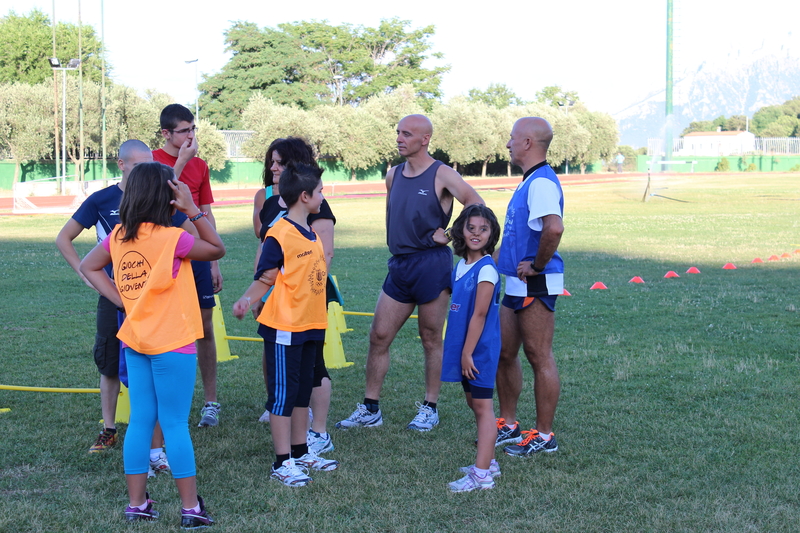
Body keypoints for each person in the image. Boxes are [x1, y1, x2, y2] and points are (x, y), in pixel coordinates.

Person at [79, 162, 224, 527]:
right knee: (174, 423)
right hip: (172, 342)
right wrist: (192, 209)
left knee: (141, 421)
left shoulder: (119, 236)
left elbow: (88, 265)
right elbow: (216, 248)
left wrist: (122, 301)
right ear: (166, 196)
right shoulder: (173, 237)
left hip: (136, 340)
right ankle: (191, 508)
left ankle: (137, 504)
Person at [337, 114, 484, 432]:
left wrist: (452, 234)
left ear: (425, 139)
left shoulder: (442, 173)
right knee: (379, 336)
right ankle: (370, 407)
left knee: (430, 337)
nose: (399, 138)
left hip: (432, 265)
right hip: (400, 265)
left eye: (407, 134)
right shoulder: (392, 175)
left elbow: (475, 203)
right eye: (398, 133)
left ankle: (430, 407)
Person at [55, 140, 186, 472]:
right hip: (117, 296)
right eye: (138, 164)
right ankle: (109, 428)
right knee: (109, 363)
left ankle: (156, 447)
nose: (144, 169)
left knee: (152, 375)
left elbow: (190, 238)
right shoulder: (101, 200)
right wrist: (89, 277)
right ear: (121, 164)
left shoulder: (160, 195)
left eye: (149, 163)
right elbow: (64, 239)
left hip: (156, 304)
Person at [233, 163, 338, 487]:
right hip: (284, 329)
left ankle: (301, 450)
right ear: (305, 196)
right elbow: (265, 278)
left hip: (312, 326)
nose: (323, 195)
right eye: (319, 191)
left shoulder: (311, 232)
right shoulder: (279, 234)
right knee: (283, 396)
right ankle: (282, 462)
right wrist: (246, 301)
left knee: (302, 392)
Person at [252, 137, 336, 455]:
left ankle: (317, 432)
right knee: (285, 378)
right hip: (280, 305)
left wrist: (298, 293)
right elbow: (268, 253)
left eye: (280, 162)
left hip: (305, 303)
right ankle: (290, 446)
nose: (273, 167)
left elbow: (323, 255)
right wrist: (259, 292)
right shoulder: (274, 204)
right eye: (271, 161)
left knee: (313, 370)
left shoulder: (316, 207)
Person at [496, 117, 565, 457]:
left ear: (527, 143)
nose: (507, 144)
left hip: (534, 284)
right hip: (514, 283)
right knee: (505, 353)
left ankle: (544, 434)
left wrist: (536, 267)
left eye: (512, 138)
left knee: (538, 356)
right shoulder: (529, 181)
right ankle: (509, 424)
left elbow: (554, 228)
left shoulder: (541, 183)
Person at [153, 104, 223, 428]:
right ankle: (168, 404)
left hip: (195, 255)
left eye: (193, 129)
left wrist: (214, 262)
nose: (191, 136)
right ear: (166, 133)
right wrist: (179, 163)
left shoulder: (201, 165)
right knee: (167, 329)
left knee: (205, 327)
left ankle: (211, 402)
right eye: (184, 130)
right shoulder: (151, 162)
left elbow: (206, 211)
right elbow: (157, 199)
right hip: (163, 256)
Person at [441, 204, 502, 492]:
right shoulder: (462, 265)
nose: (476, 233)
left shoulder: (486, 269)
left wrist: (467, 353)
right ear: (461, 231)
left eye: (483, 229)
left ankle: (482, 475)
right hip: (463, 346)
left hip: (478, 350)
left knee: (483, 407)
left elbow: (479, 315)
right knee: (474, 404)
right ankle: (487, 460)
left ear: (492, 235)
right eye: (471, 228)